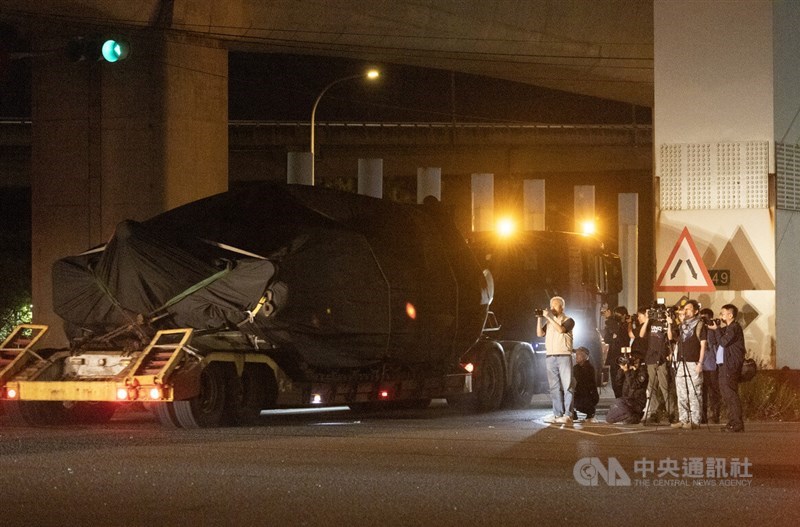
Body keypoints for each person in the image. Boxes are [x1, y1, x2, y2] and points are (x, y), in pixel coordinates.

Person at [667, 300, 706, 430]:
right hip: (681, 362)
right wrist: (670, 324)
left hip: (693, 362)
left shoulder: (700, 325)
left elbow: (703, 345)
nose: (686, 311)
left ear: (695, 311)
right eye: (685, 309)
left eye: (689, 309)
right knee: (681, 392)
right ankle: (683, 419)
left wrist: (700, 362)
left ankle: (695, 420)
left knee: (694, 392)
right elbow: (671, 337)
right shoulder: (682, 325)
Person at [707, 304, 746, 432]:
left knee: (730, 394)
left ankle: (737, 424)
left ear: (730, 315)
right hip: (724, 365)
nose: (721, 316)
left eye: (723, 313)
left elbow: (723, 342)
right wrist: (713, 328)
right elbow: (715, 341)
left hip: (731, 365)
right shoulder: (727, 328)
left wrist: (717, 329)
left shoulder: (734, 327)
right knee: (726, 394)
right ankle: (732, 422)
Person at [537, 296, 575, 425]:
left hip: (564, 355)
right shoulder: (549, 322)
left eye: (555, 306)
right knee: (554, 387)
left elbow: (561, 330)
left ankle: (568, 414)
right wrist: (539, 319)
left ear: (562, 307)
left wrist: (549, 317)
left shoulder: (569, 320)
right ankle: (557, 413)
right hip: (550, 356)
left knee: (567, 386)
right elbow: (539, 334)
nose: (552, 308)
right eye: (551, 305)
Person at [637, 305, 674, 425]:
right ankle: (653, 411)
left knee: (664, 386)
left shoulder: (664, 322)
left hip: (662, 357)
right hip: (651, 358)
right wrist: (647, 319)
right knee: (651, 386)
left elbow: (670, 337)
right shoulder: (650, 323)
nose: (657, 314)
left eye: (659, 312)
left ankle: (671, 412)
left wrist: (669, 323)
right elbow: (641, 335)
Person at [605, 350, 649, 424]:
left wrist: (626, 371)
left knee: (618, 401)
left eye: (634, 359)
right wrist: (621, 369)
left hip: (637, 402)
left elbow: (633, 385)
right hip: (626, 401)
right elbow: (618, 383)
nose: (632, 360)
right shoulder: (629, 370)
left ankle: (633, 416)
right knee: (609, 418)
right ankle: (631, 416)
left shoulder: (642, 372)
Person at [699, 307, 721, 424]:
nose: (703, 321)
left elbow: (719, 344)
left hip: (712, 365)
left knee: (713, 392)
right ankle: (702, 416)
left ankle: (714, 415)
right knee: (701, 392)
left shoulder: (714, 330)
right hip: (701, 365)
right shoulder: (698, 329)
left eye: (705, 318)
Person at [603, 306, 630, 398]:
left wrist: (609, 318)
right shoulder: (613, 325)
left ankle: (624, 400)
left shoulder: (626, 325)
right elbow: (606, 339)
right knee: (615, 381)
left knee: (623, 380)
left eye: (618, 314)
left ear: (624, 315)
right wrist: (613, 337)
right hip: (613, 356)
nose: (616, 316)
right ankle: (618, 400)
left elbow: (620, 332)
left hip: (624, 356)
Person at [571, 346, 599, 422]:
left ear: (586, 356)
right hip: (581, 395)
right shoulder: (577, 367)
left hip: (588, 397)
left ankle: (589, 412)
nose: (576, 356)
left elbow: (584, 383)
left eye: (579, 354)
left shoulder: (588, 368)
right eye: (576, 354)